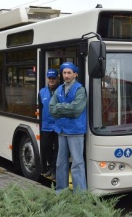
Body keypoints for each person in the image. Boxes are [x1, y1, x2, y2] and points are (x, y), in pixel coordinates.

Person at [49, 62, 87, 193]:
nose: (66, 75)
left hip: (75, 131)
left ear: (75, 74)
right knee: (60, 164)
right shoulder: (59, 89)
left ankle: (81, 196)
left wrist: (60, 107)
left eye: (69, 73)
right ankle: (61, 192)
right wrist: (65, 107)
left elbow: (76, 110)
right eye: (64, 73)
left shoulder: (80, 89)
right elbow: (51, 109)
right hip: (62, 131)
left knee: (77, 164)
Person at [38, 69, 59, 179]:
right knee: (46, 147)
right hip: (46, 125)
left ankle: (55, 170)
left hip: (58, 124)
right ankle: (50, 167)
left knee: (58, 149)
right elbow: (41, 108)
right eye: (49, 78)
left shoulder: (61, 90)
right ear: (47, 78)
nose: (51, 80)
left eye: (53, 78)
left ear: (57, 79)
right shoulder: (42, 92)